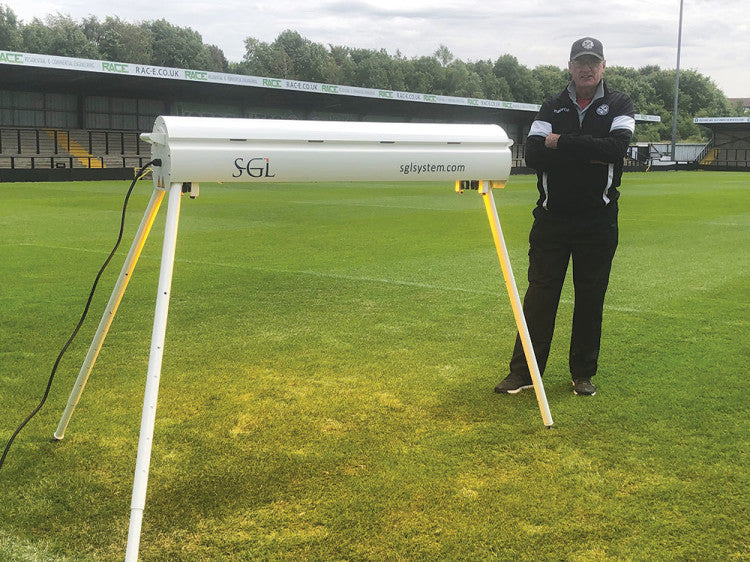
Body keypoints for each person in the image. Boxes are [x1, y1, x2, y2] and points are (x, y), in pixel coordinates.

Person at [494, 37, 635, 396]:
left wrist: (563, 142)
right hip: (551, 219)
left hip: (598, 221)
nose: (586, 68)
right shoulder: (552, 105)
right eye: (580, 62)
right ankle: (524, 372)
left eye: (593, 62)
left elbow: (617, 149)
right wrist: (589, 150)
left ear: (603, 66)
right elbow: (535, 155)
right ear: (570, 66)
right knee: (540, 297)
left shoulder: (619, 103)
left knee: (590, 298)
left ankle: (582, 374)